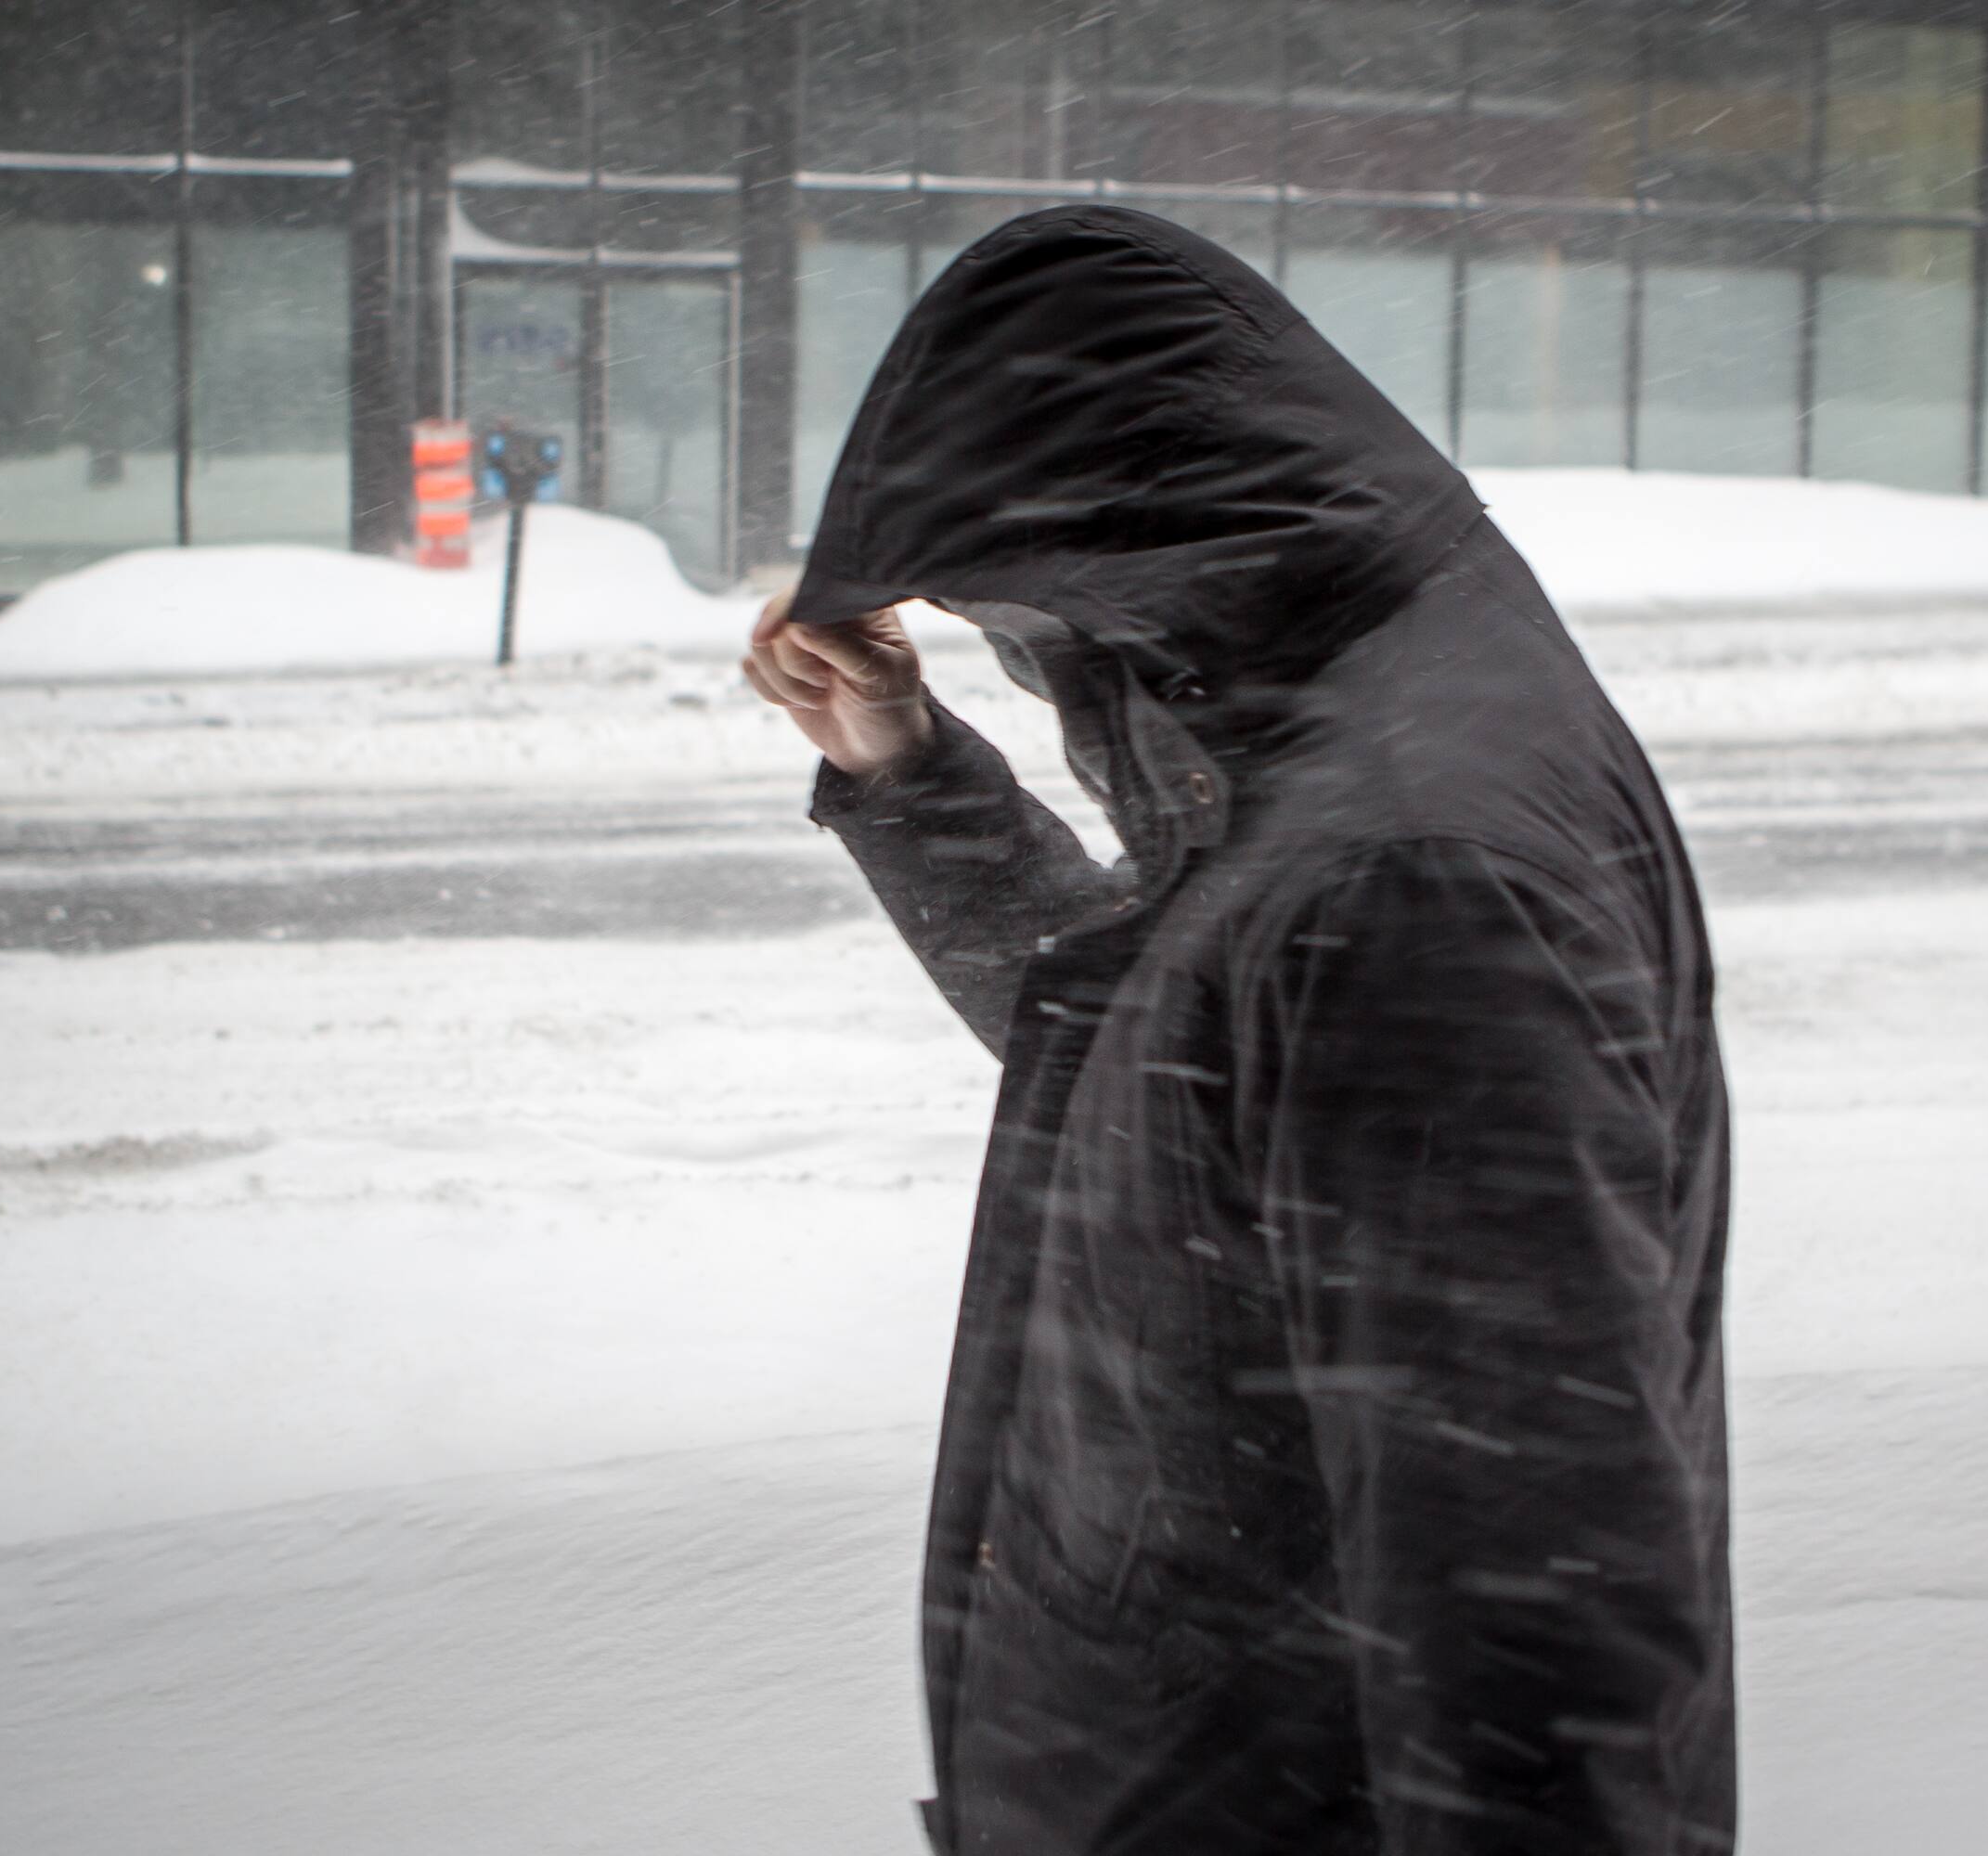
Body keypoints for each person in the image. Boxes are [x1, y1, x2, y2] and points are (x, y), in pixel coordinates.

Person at [743, 206, 1735, 1856]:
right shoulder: (1353, 741)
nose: (1043, 673)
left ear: (1137, 569)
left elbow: (1531, 1637)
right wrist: (912, 775)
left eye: (1028, 624)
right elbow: (1193, 1078)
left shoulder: (1412, 876)